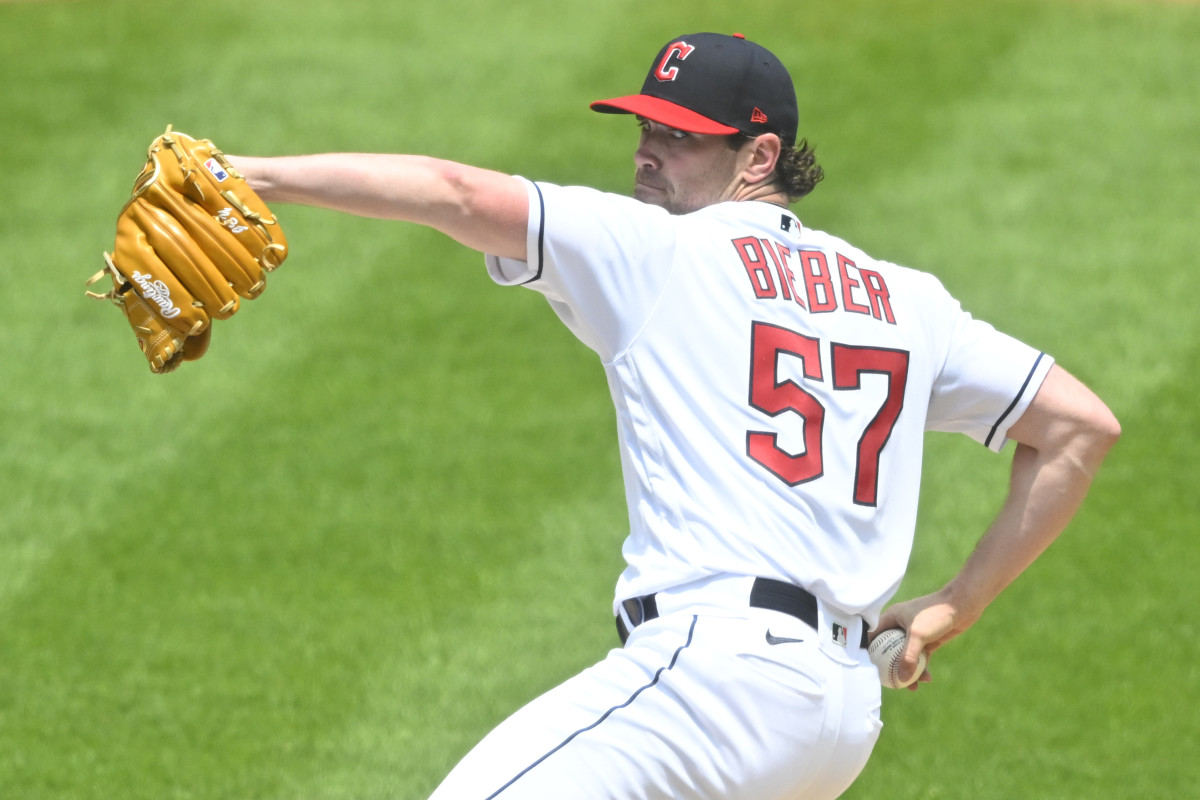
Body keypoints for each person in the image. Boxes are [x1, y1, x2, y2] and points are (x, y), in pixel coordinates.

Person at [227, 31, 1120, 800]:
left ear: (758, 157)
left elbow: (458, 194)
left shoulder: (661, 250)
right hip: (839, 716)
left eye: (681, 137)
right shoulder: (907, 301)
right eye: (647, 126)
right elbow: (1080, 428)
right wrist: (954, 607)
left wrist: (250, 176)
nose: (649, 151)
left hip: (714, 682)